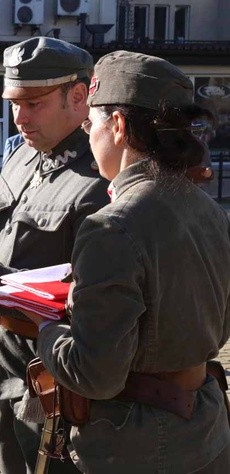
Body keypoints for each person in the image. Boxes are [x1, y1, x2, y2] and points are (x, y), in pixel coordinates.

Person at [22, 51, 230, 473]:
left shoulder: (112, 225)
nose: (87, 135)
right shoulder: (209, 209)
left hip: (136, 444)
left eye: (88, 124)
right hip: (207, 430)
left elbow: (95, 374)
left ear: (116, 126)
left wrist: (43, 329)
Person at [0, 37, 110, 473]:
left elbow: (98, 293)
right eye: (14, 103)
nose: (19, 117)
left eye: (33, 103)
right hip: (9, 365)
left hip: (59, 382)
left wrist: (3, 281)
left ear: (77, 96)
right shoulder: (21, 156)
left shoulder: (102, 175)